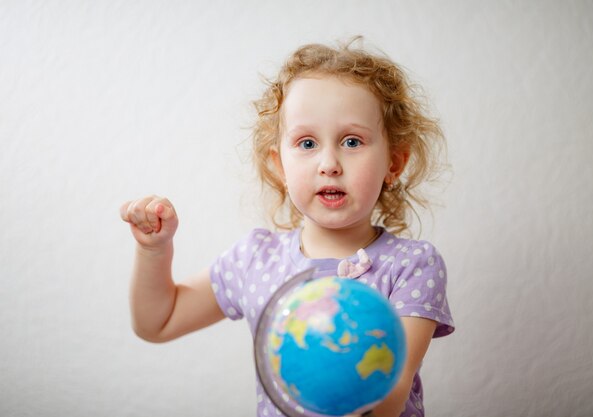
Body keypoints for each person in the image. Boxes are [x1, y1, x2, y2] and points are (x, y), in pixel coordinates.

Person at [120, 38, 454, 417]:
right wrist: (154, 250)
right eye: (307, 142)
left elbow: (388, 396)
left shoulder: (412, 265)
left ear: (393, 163)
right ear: (280, 166)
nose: (329, 163)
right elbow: (157, 322)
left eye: (352, 141)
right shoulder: (255, 261)